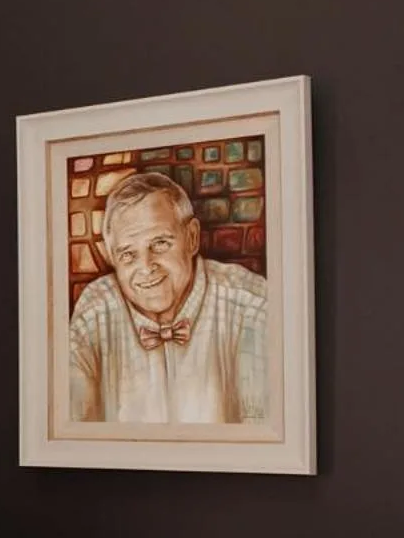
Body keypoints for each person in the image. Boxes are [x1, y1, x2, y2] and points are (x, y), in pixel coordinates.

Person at [69, 170, 268, 426]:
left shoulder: (252, 305)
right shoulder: (95, 312)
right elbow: (70, 428)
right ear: (111, 257)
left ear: (192, 237)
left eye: (160, 243)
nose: (146, 266)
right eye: (128, 254)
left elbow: (266, 439)